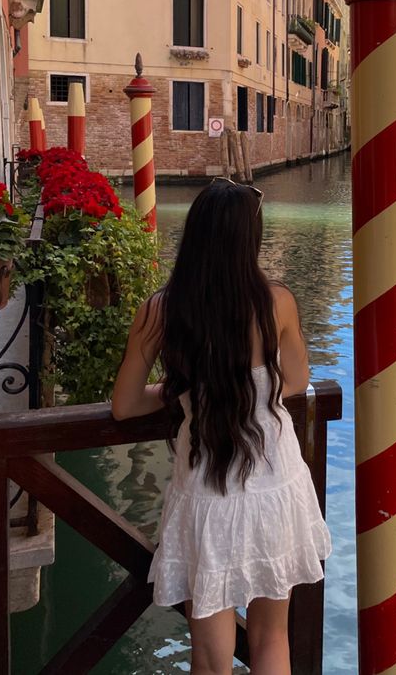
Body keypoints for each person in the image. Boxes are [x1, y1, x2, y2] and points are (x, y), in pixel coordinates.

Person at [112, 178, 331, 675]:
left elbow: (124, 405)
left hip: (208, 496)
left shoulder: (161, 310)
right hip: (277, 485)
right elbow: (295, 380)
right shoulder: (277, 303)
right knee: (272, 638)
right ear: (249, 241)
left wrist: (177, 390)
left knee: (211, 657)